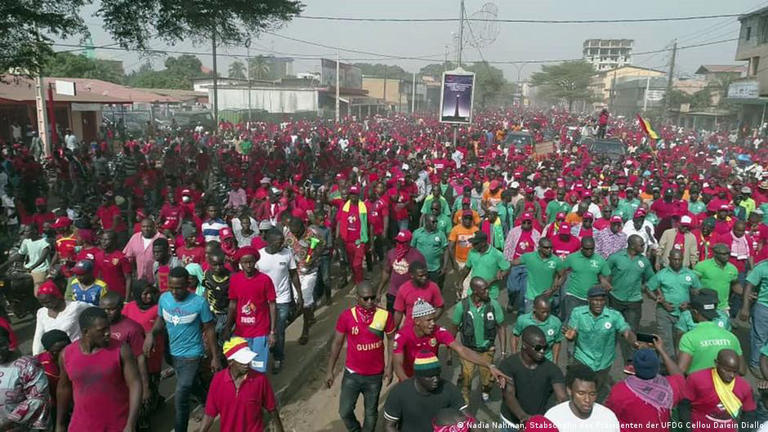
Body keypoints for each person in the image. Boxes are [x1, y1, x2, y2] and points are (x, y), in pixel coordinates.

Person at [143, 267, 221, 432]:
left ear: (187, 284)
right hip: (172, 354)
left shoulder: (199, 303)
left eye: (178, 287)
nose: (174, 291)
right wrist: (151, 334)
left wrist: (215, 356)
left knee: (181, 395)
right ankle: (209, 402)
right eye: (171, 287)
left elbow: (209, 329)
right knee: (191, 384)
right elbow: (160, 320)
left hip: (192, 355)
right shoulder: (164, 299)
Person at [57, 307, 142, 431]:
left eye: (108, 328)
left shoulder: (121, 350)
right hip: (81, 426)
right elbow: (64, 389)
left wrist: (131, 424)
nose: (108, 333)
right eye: (101, 330)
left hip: (117, 425)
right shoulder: (66, 354)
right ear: (86, 332)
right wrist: (60, 424)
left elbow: (135, 384)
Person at [327, 282, 396, 432]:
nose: (370, 301)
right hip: (352, 374)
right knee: (344, 411)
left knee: (371, 412)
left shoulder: (384, 315)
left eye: (372, 298)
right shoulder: (346, 316)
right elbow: (337, 343)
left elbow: (391, 340)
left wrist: (389, 367)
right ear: (357, 298)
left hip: (375, 375)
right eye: (365, 298)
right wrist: (330, 370)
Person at [392, 299, 505, 383]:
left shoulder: (437, 331)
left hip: (431, 379)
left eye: (433, 319)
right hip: (409, 380)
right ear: (417, 321)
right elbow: (397, 364)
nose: (433, 323)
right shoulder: (403, 335)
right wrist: (407, 384)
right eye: (429, 320)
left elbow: (461, 350)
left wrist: (489, 365)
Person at [564, 286, 637, 400]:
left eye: (602, 300)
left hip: (604, 362)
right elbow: (571, 333)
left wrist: (635, 342)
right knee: (581, 389)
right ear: (588, 300)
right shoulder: (578, 313)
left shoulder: (614, 316)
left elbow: (626, 331)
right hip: (582, 358)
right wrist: (570, 337)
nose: (599, 303)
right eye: (595, 300)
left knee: (595, 391)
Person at [200, 337, 284, 432]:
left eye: (248, 360)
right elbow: (210, 414)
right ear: (230, 361)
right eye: (243, 361)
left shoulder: (260, 380)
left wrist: (280, 429)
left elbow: (272, 408)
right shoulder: (218, 381)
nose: (247, 364)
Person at [604, 343, 686, 432]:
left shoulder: (620, 390)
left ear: (632, 368)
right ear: (657, 367)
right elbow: (679, 376)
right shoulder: (669, 387)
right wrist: (662, 351)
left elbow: (610, 414)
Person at [498, 326, 566, 429]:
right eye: (538, 347)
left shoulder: (552, 369)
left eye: (545, 347)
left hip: (537, 425)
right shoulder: (508, 365)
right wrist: (524, 417)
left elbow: (562, 397)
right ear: (525, 345)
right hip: (511, 423)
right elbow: (509, 394)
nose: (543, 351)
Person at [451, 277, 506, 403]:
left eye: (488, 289)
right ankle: (464, 405)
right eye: (484, 290)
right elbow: (453, 328)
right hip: (468, 351)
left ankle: (485, 391)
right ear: (475, 291)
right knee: (467, 378)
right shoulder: (462, 307)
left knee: (488, 379)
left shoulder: (493, 305)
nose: (488, 292)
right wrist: (450, 350)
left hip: (487, 350)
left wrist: (503, 352)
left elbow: (501, 327)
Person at [383, 351, 467, 432]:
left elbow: (468, 417)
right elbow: (389, 426)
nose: (435, 380)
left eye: (437, 374)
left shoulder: (449, 389)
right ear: (418, 376)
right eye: (430, 376)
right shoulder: (399, 393)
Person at [606, 235, 654, 370]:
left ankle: (630, 360)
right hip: (615, 298)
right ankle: (607, 356)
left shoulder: (644, 262)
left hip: (634, 301)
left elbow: (651, 278)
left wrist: (649, 290)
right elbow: (605, 273)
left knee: (632, 330)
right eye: (641, 245)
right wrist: (606, 285)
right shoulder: (615, 257)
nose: (643, 247)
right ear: (632, 245)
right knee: (612, 328)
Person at [256, 228, 301, 374]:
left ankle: (278, 358)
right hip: (262, 300)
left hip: (282, 299)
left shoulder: (287, 254)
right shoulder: (259, 256)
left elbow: (293, 274)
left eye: (282, 241)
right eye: (278, 242)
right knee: (263, 330)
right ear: (268, 241)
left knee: (278, 330)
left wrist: (299, 294)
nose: (281, 244)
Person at [225, 247, 276, 374]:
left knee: (258, 368)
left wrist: (272, 331)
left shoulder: (265, 280)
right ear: (240, 263)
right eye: (245, 262)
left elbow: (272, 305)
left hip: (260, 331)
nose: (248, 265)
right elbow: (232, 304)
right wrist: (227, 327)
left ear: (255, 261)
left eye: (251, 261)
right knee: (242, 367)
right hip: (241, 332)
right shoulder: (235, 280)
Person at [646, 249, 702, 356]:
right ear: (669, 259)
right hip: (664, 312)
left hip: (684, 313)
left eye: (679, 260)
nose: (677, 262)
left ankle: (681, 365)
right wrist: (658, 299)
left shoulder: (690, 274)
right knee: (666, 340)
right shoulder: (662, 274)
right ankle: (666, 365)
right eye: (674, 259)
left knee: (683, 341)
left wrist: (690, 304)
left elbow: (698, 292)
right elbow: (648, 288)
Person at [685, 349, 756, 432]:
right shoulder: (697, 379)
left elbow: (749, 414)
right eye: (727, 370)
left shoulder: (744, 387)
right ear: (716, 363)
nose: (731, 375)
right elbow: (684, 405)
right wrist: (688, 428)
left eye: (735, 371)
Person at [678, 289, 745, 374]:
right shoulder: (731, 338)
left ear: (695, 312)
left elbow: (681, 369)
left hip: (695, 382)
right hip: (722, 384)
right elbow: (742, 370)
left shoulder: (688, 338)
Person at [0, 327, 50, 430]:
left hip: (21, 427)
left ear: (9, 342)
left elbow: (38, 398)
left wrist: (10, 422)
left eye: (1, 344)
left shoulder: (27, 365)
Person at [544, 364, 620, 432]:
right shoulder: (553, 418)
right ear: (569, 391)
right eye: (581, 393)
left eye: (592, 394)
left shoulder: (608, 418)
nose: (587, 399)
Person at [559, 237, 611, 322]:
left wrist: (601, 285)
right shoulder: (572, 258)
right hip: (574, 296)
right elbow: (562, 270)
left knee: (590, 322)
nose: (589, 251)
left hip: (592, 298)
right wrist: (559, 283)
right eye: (586, 249)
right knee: (572, 321)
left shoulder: (600, 260)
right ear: (581, 247)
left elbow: (607, 274)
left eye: (592, 249)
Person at [32, 280, 90, 355]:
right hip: (56, 354)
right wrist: (36, 355)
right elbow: (38, 336)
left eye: (48, 302)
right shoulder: (41, 313)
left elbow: (95, 310)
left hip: (77, 351)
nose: (45, 305)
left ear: (57, 296)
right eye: (42, 303)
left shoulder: (75, 307)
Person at [378, 230, 426, 312]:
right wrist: (379, 291)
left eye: (402, 242)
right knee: (391, 319)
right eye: (397, 241)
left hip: (409, 294)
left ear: (409, 242)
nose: (399, 244)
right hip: (393, 293)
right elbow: (386, 272)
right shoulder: (391, 253)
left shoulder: (417, 256)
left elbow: (422, 277)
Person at [456, 231, 511, 301]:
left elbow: (507, 268)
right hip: (473, 292)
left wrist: (496, 277)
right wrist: (461, 281)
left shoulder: (497, 254)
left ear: (483, 243)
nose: (472, 245)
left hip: (490, 293)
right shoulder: (472, 252)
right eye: (472, 243)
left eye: (475, 243)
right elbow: (467, 268)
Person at [513, 238, 563, 313]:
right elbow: (512, 263)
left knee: (544, 321)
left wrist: (553, 290)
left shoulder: (556, 260)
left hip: (547, 297)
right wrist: (501, 268)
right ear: (539, 247)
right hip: (531, 297)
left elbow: (563, 275)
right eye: (546, 247)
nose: (549, 250)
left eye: (551, 247)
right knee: (530, 321)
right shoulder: (529, 257)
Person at [512, 295, 563, 362]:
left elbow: (557, 342)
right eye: (543, 312)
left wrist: (555, 361)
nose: (545, 314)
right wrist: (514, 355)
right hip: (527, 359)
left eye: (548, 312)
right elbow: (515, 336)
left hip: (546, 359)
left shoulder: (556, 322)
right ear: (534, 308)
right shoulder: (523, 320)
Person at [336, 186, 369, 284]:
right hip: (347, 241)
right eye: (351, 194)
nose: (353, 196)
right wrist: (339, 237)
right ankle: (356, 280)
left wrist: (366, 239)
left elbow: (366, 223)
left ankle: (360, 283)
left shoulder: (363, 207)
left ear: (358, 195)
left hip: (359, 241)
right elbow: (340, 222)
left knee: (357, 264)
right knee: (351, 264)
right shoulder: (345, 207)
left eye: (355, 194)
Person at [693, 243, 740, 311]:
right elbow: (693, 283)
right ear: (715, 254)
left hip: (723, 307)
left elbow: (735, 285)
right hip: (705, 306)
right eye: (723, 254)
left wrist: (746, 294)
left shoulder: (732, 268)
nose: (727, 256)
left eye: (728, 253)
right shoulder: (702, 266)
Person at [35, 329, 70, 409]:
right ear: (48, 351)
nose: (62, 353)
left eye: (66, 348)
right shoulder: (38, 365)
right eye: (57, 351)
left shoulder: (78, 355)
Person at [411, 215, 449, 286]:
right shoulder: (417, 233)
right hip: (420, 268)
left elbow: (446, 250)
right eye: (433, 222)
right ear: (427, 222)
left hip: (434, 269)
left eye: (436, 222)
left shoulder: (440, 234)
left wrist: (444, 267)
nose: (435, 224)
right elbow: (412, 249)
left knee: (433, 288)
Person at [124, 218, 165, 283]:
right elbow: (127, 257)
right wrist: (132, 271)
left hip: (156, 280)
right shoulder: (135, 237)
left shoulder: (161, 238)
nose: (146, 229)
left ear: (154, 227)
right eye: (144, 227)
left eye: (149, 227)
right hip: (139, 279)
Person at [96, 230, 133, 300]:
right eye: (102, 239)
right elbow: (98, 276)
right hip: (104, 294)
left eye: (106, 240)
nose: (103, 242)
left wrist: (127, 299)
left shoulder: (121, 257)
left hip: (119, 295)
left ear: (114, 241)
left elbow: (128, 278)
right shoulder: (98, 256)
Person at [18, 224, 50, 291]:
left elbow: (42, 258)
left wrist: (32, 267)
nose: (24, 233)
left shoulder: (44, 242)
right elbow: (20, 254)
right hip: (28, 268)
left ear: (34, 231)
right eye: (24, 231)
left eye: (27, 231)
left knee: (38, 292)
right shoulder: (26, 241)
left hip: (40, 269)